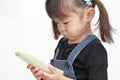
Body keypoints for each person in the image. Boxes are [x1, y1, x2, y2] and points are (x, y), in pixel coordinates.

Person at [27, 0, 114, 80]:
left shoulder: (95, 50)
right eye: (57, 23)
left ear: (88, 14)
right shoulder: (62, 44)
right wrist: (43, 75)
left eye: (66, 22)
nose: (61, 28)